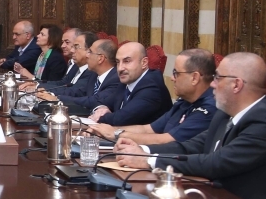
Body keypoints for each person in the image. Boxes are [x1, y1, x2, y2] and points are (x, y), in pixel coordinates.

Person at [115, 52, 266, 199]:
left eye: (218, 78)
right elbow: (193, 145)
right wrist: (142, 152)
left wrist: (149, 161)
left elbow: (215, 163)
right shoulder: (227, 112)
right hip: (211, 195)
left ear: (237, 84)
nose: (212, 84)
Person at [88, 48, 217, 145]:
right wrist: (104, 130)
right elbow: (148, 129)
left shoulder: (209, 108)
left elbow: (167, 139)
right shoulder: (185, 101)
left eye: (176, 73)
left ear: (194, 78)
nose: (172, 78)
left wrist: (115, 134)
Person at [87, 41, 173, 126]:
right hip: (118, 136)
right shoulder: (127, 80)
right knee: (81, 138)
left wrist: (99, 116)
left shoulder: (152, 87)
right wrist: (101, 108)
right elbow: (100, 102)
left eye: (127, 61)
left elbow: (121, 118)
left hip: (143, 139)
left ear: (144, 63)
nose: (120, 68)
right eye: (118, 62)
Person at [42, 38, 123, 113]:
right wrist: (50, 94)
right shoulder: (94, 74)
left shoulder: (116, 79)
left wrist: (57, 99)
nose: (87, 55)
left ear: (100, 58)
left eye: (90, 52)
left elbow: (94, 100)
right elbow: (79, 91)